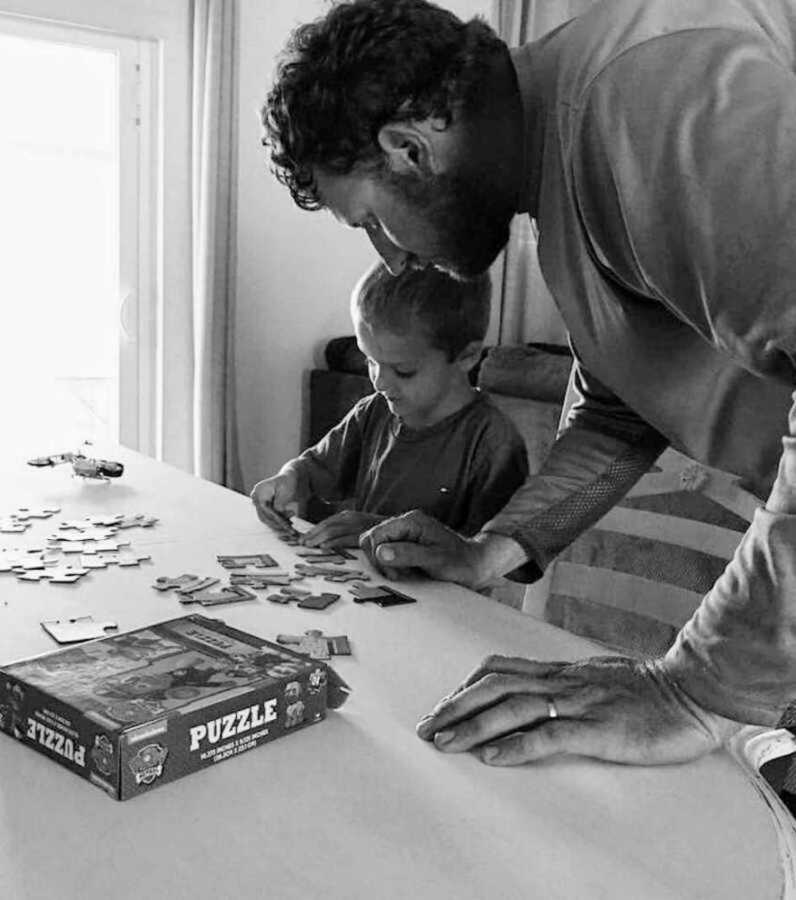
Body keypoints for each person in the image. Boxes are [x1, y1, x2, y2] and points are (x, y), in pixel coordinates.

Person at [261, 0, 796, 766]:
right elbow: (621, 412)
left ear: (409, 148)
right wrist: (491, 551)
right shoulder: (562, 166)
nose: (393, 258)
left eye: (371, 222)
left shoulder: (647, 99)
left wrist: (699, 684)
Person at [250, 262, 528, 547]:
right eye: (370, 361)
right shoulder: (375, 410)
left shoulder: (493, 441)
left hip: (441, 593)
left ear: (467, 357)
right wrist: (287, 481)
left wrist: (377, 529)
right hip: (363, 583)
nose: (379, 383)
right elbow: (313, 471)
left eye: (403, 370)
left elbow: (489, 558)